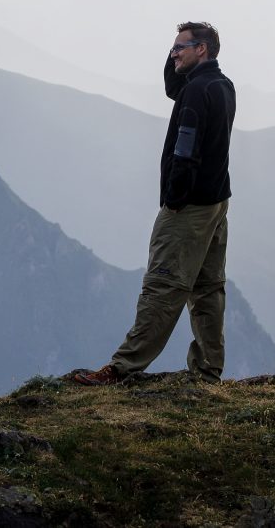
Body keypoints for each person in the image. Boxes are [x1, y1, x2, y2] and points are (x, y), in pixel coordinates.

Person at [67, 21, 235, 386]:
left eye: (180, 48)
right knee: (207, 287)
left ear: (201, 50)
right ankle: (208, 370)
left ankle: (122, 367)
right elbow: (173, 86)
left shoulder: (197, 94)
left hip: (188, 208)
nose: (173, 53)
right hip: (217, 203)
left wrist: (174, 199)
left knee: (163, 284)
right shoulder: (221, 85)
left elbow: (186, 149)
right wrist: (176, 54)